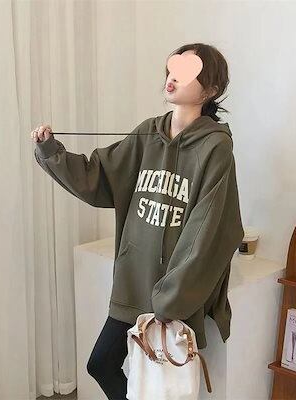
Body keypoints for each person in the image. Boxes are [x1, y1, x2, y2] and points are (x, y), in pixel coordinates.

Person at [31, 42, 244, 400]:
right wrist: (51, 151)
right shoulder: (148, 134)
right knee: (102, 364)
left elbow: (207, 231)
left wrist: (172, 299)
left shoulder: (215, 149)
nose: (173, 78)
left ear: (210, 89)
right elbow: (99, 176)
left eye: (187, 72)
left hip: (174, 293)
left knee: (163, 385)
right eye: (172, 69)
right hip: (133, 282)